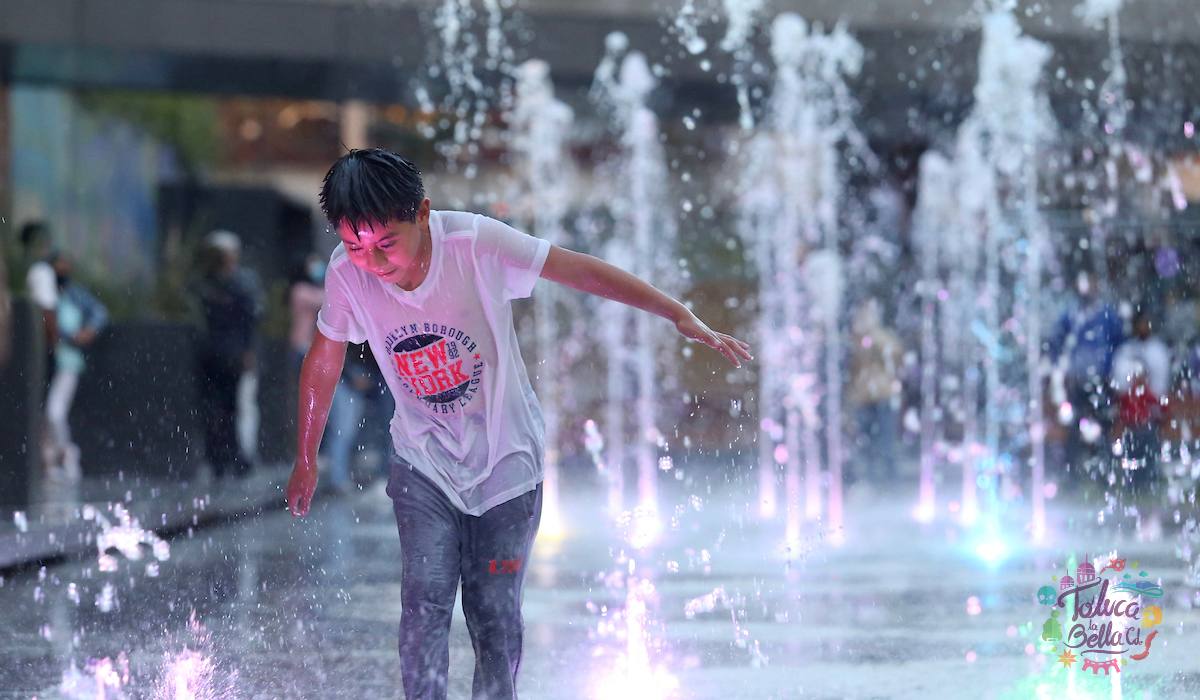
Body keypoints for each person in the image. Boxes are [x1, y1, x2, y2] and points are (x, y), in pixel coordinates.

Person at [285, 148, 751, 699]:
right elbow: (325, 355)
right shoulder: (347, 272)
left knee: (493, 607)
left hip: (508, 466)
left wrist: (675, 311)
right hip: (423, 463)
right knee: (424, 598)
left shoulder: (475, 244)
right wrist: (306, 456)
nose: (375, 261)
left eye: (387, 243)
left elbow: (575, 269)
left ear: (423, 214)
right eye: (357, 245)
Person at [193, 230, 261, 480]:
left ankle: (237, 458)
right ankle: (218, 459)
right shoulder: (205, 282)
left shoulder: (242, 282)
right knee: (213, 409)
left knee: (235, 408)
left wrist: (247, 351)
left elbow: (250, 319)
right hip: (211, 355)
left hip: (232, 355)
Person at [45, 253, 109, 482]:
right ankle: (52, 460)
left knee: (55, 412)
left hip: (68, 362)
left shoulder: (75, 295)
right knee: (46, 415)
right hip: (46, 363)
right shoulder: (48, 295)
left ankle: (67, 454)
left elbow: (99, 314)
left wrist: (87, 332)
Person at [848, 299, 903, 483]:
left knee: (886, 441)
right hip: (863, 398)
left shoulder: (882, 337)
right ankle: (870, 480)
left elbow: (896, 354)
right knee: (865, 443)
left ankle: (889, 481)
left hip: (882, 396)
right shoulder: (855, 340)